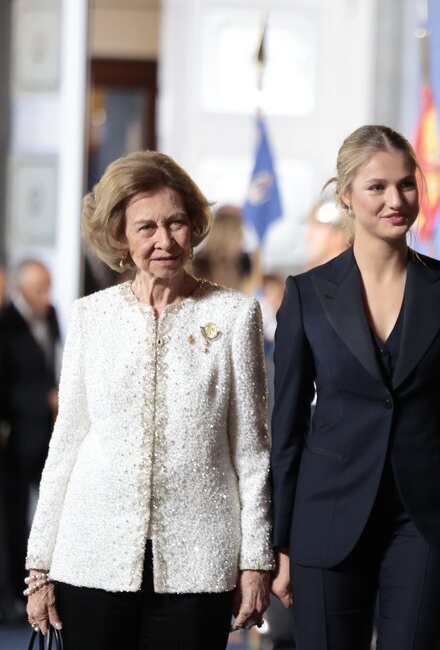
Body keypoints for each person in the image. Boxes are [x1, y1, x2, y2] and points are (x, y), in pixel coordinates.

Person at [23, 150, 274, 648]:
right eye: (147, 228)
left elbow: (252, 449)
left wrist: (255, 560)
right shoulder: (91, 318)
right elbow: (66, 444)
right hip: (90, 556)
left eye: (176, 223)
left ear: (194, 226)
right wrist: (40, 565)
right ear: (120, 235)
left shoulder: (234, 316)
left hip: (200, 562)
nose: (164, 240)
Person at [270, 124, 440, 649]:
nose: (396, 200)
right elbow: (287, 426)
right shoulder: (307, 295)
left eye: (407, 185)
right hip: (325, 519)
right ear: (346, 195)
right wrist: (278, 541)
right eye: (378, 187)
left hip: (427, 521)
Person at [0, 260, 60, 623]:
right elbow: (6, 387)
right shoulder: (5, 324)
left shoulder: (51, 316)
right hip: (18, 440)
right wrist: (44, 399)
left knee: (49, 514)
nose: (47, 296)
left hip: (48, 436)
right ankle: (13, 595)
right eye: (40, 288)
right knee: (14, 519)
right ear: (21, 288)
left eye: (49, 286)